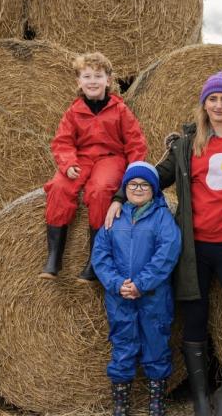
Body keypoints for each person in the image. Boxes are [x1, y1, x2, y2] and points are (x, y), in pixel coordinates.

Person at [105, 72, 222, 416]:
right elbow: (153, 176)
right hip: (195, 246)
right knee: (195, 317)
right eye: (213, 99)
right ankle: (201, 396)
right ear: (203, 104)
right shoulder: (186, 143)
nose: (219, 105)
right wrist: (120, 195)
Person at [39, 52, 147, 283]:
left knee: (99, 191)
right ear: (79, 82)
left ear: (108, 80)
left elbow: (135, 142)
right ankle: (54, 257)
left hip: (110, 159)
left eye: (98, 76)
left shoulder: (120, 110)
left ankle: (95, 260)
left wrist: (134, 174)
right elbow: (62, 142)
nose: (92, 81)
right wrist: (68, 164)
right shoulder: (74, 111)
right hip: (81, 159)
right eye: (87, 76)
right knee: (59, 187)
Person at [92, 161, 181, 416]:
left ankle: (156, 402)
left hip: (153, 295)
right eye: (133, 184)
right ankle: (121, 403)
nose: (138, 188)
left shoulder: (162, 217)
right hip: (119, 296)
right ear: (125, 187)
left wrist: (141, 284)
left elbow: (168, 252)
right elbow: (100, 255)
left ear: (154, 189)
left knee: (157, 343)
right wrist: (117, 284)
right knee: (122, 344)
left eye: (144, 184)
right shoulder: (115, 217)